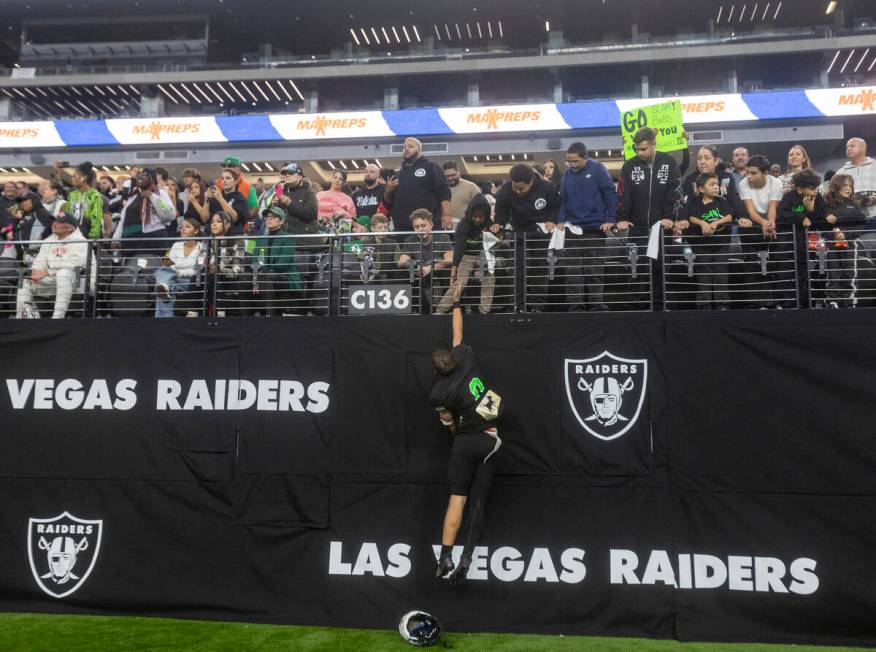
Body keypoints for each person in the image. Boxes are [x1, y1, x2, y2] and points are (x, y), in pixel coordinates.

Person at [432, 287, 503, 586]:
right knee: (477, 503)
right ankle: (466, 559)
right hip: (488, 437)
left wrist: (452, 431)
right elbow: (458, 333)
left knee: (456, 500)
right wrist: (457, 301)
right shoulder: (466, 355)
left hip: (464, 441)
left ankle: (444, 557)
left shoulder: (438, 392)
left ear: (437, 371)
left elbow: (447, 420)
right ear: (453, 360)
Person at [615, 128, 682, 309]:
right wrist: (621, 218)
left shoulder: (669, 162)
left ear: (653, 144)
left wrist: (670, 217)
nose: (640, 153)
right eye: (637, 149)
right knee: (636, 270)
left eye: (643, 149)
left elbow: (674, 193)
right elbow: (623, 194)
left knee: (660, 269)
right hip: (636, 229)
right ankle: (636, 309)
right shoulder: (629, 166)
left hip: (662, 228)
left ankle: (660, 308)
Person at [557, 142, 616, 312]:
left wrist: (610, 219)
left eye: (575, 161)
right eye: (569, 161)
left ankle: (596, 305)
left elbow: (610, 194)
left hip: (595, 230)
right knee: (573, 272)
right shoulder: (567, 174)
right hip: (573, 230)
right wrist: (561, 220)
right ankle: (575, 307)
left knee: (594, 270)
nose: (572, 165)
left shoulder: (598, 169)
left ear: (585, 157)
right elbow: (563, 200)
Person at [494, 163, 562, 311]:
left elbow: (557, 207)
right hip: (518, 234)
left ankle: (538, 306)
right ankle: (518, 306)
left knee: (540, 272)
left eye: (521, 188)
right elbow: (501, 211)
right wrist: (499, 224)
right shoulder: (506, 189)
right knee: (517, 271)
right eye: (515, 187)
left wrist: (552, 220)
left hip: (541, 235)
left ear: (531, 181)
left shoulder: (547, 187)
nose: (518, 191)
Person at [676, 173, 735, 310]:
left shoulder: (722, 201)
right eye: (712, 184)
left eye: (717, 184)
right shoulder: (695, 203)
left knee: (721, 275)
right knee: (704, 275)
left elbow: (729, 216)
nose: (716, 187)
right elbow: (690, 217)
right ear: (701, 189)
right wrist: (702, 223)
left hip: (721, 245)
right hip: (702, 245)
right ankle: (704, 305)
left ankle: (722, 305)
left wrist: (716, 223)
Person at [16, 213, 90, 319]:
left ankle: (57, 318)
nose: (54, 224)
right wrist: (34, 273)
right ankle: (24, 317)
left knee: (63, 274)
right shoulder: (49, 240)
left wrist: (47, 272)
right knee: (26, 280)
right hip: (52, 281)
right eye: (54, 221)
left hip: (77, 282)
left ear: (70, 228)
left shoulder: (81, 241)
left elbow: (76, 263)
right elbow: (39, 262)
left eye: (59, 222)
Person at [437, 194, 499, 315]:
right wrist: (454, 268)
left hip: (485, 256)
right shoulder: (463, 224)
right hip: (466, 256)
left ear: (486, 215)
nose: (477, 220)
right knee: (461, 282)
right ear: (470, 213)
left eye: (481, 217)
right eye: (474, 216)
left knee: (489, 279)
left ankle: (484, 311)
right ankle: (440, 310)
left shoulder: (490, 223)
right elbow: (459, 246)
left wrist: (497, 232)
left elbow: (497, 241)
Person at [738, 155, 784, 307]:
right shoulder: (743, 184)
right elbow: (750, 212)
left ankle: (774, 302)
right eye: (748, 172)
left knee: (772, 264)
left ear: (765, 173)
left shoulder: (776, 183)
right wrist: (763, 223)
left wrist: (769, 224)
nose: (749, 176)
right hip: (752, 226)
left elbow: (772, 208)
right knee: (752, 264)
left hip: (770, 223)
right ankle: (755, 303)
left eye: (753, 173)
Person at [778, 169, 826, 307]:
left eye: (816, 188)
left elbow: (822, 216)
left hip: (807, 244)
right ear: (799, 189)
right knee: (786, 273)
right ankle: (788, 304)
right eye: (812, 189)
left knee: (805, 272)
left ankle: (805, 303)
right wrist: (801, 217)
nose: (815, 191)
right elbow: (781, 214)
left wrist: (810, 211)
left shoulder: (818, 198)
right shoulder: (789, 197)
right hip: (788, 243)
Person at [384, 138, 451, 232]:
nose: (406, 149)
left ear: (420, 150)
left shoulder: (431, 167)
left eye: (411, 146)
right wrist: (388, 191)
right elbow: (388, 204)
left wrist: (447, 215)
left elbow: (444, 193)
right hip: (402, 228)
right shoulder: (398, 174)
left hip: (426, 225)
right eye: (404, 147)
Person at [821, 174, 868, 308]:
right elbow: (821, 226)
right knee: (833, 273)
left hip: (850, 245)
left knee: (849, 272)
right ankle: (832, 301)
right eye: (845, 185)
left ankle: (849, 301)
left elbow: (861, 226)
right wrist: (832, 232)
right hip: (832, 246)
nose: (848, 188)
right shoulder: (826, 206)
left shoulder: (855, 206)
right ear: (836, 186)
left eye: (850, 186)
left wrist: (845, 235)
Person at [397, 208, 452, 313]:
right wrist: (415, 265)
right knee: (401, 273)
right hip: (420, 275)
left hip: (439, 274)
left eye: (423, 225)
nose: (420, 229)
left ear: (431, 225)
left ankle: (443, 308)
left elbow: (450, 259)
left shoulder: (442, 237)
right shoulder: (410, 240)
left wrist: (432, 266)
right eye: (416, 227)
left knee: (446, 268)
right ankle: (413, 309)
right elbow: (401, 262)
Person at [112, 168, 176, 253]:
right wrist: (116, 238)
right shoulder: (133, 196)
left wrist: (152, 196)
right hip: (130, 241)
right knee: (131, 265)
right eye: (140, 174)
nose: (141, 176)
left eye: (145, 175)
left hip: (153, 240)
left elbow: (170, 215)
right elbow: (123, 218)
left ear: (152, 179)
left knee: (158, 264)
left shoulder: (159, 193)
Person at [252, 206, 302, 316]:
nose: (268, 219)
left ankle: (271, 318)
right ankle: (244, 322)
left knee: (266, 277)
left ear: (281, 221)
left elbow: (282, 265)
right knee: (244, 279)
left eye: (273, 217)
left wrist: (263, 270)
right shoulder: (260, 239)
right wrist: (255, 276)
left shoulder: (288, 237)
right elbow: (254, 262)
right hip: (263, 275)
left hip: (285, 277)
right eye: (267, 217)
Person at [153, 216, 205, 318]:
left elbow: (198, 269)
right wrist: (173, 272)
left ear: (196, 230)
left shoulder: (203, 247)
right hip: (174, 279)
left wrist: (179, 273)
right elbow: (171, 266)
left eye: (187, 227)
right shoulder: (176, 245)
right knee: (162, 272)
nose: (183, 229)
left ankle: (163, 320)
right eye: (181, 227)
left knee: (164, 282)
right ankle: (165, 287)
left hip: (191, 282)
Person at [207, 212, 247, 316]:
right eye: (212, 222)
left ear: (228, 224)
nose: (214, 224)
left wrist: (220, 270)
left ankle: (219, 314)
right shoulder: (207, 242)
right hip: (209, 276)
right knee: (196, 278)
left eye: (218, 221)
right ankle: (193, 315)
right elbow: (200, 263)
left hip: (228, 278)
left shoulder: (237, 242)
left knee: (215, 277)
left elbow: (238, 271)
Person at [195, 170, 248, 236]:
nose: (224, 181)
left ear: (235, 181)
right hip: (212, 236)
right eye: (222, 178)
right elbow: (204, 219)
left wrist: (220, 199)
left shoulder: (240, 197)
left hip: (232, 237)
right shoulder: (215, 196)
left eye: (228, 178)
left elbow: (233, 218)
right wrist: (206, 201)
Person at [66, 162, 111, 239]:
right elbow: (67, 217)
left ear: (83, 178)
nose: (72, 178)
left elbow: (105, 222)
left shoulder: (99, 197)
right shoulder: (72, 195)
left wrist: (95, 240)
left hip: (89, 241)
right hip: (72, 239)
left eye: (74, 176)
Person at [835, 138, 876, 222]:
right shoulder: (841, 172)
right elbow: (834, 195)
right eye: (847, 147)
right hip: (852, 218)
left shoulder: (874, 166)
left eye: (852, 146)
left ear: (863, 148)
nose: (848, 149)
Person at [273, 163, 318, 235]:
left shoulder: (308, 192)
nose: (287, 175)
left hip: (303, 239)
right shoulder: (279, 191)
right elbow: (274, 217)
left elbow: (310, 214)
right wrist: (273, 206)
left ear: (299, 177)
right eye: (285, 173)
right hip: (284, 239)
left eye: (291, 173)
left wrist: (289, 203)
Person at [316, 170, 356, 234]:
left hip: (338, 235)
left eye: (340, 179)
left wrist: (344, 214)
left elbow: (353, 222)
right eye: (335, 177)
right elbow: (311, 213)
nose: (337, 180)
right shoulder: (319, 195)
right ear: (331, 179)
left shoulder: (348, 199)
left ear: (344, 183)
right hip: (318, 232)